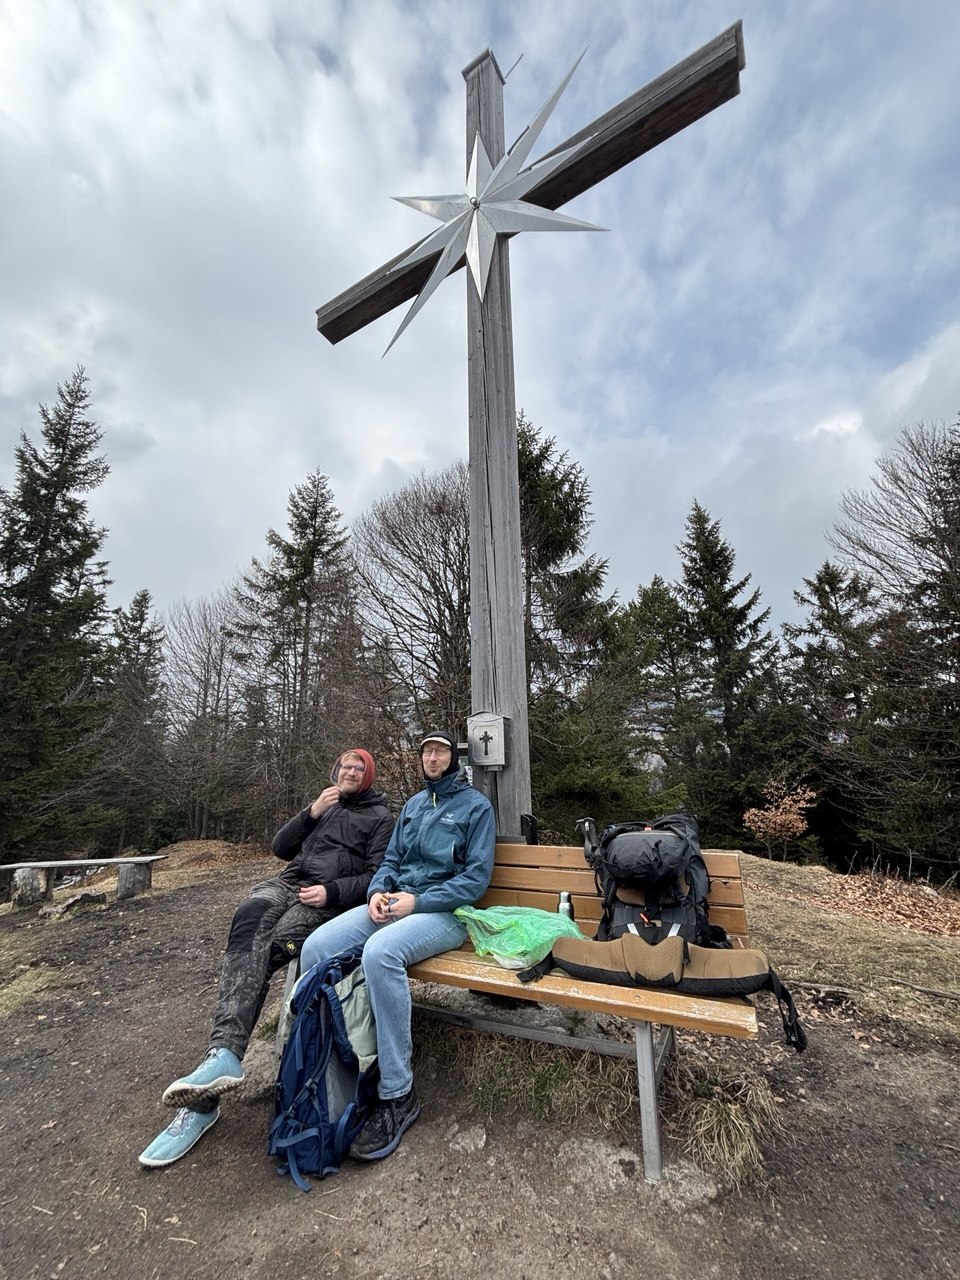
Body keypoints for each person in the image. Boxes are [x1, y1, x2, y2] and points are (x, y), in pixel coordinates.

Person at [139, 747, 393, 1168]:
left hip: (324, 903)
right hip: (288, 883)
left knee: (270, 948)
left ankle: (210, 1088)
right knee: (248, 916)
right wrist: (310, 812)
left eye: (358, 768)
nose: (349, 772)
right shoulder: (324, 805)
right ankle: (222, 1056)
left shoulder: (380, 818)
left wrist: (332, 892)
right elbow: (280, 848)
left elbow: (377, 874)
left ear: (368, 777)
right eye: (344, 766)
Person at [297, 730, 495, 1162]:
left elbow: (475, 881)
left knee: (380, 954)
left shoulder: (476, 807)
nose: (433, 757)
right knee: (316, 946)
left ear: (454, 759)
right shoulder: (413, 806)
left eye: (440, 751)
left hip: (445, 915)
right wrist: (378, 890)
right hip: (394, 902)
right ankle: (330, 1071)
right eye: (427, 751)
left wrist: (418, 901)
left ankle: (397, 1092)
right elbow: (390, 859)